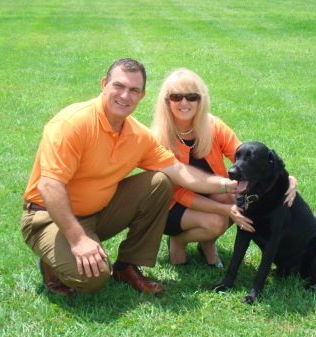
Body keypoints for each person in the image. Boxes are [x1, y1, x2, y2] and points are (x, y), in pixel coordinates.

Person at [20, 58, 243, 297]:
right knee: (92, 279)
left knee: (160, 182)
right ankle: (52, 265)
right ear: (104, 84)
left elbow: (180, 173)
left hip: (97, 213)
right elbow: (49, 185)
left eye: (134, 90)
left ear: (142, 96)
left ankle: (127, 266)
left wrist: (229, 185)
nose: (125, 96)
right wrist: (78, 240)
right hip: (48, 215)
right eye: (119, 86)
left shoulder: (139, 135)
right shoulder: (72, 123)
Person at [151, 68, 297, 266]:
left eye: (191, 96)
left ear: (200, 100)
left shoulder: (213, 126)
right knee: (217, 220)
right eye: (176, 96)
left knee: (239, 197)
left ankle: (207, 243)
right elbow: (179, 194)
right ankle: (178, 240)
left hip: (208, 193)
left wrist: (285, 177)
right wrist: (226, 210)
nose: (184, 102)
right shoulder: (159, 138)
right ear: (167, 101)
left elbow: (249, 160)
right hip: (170, 206)